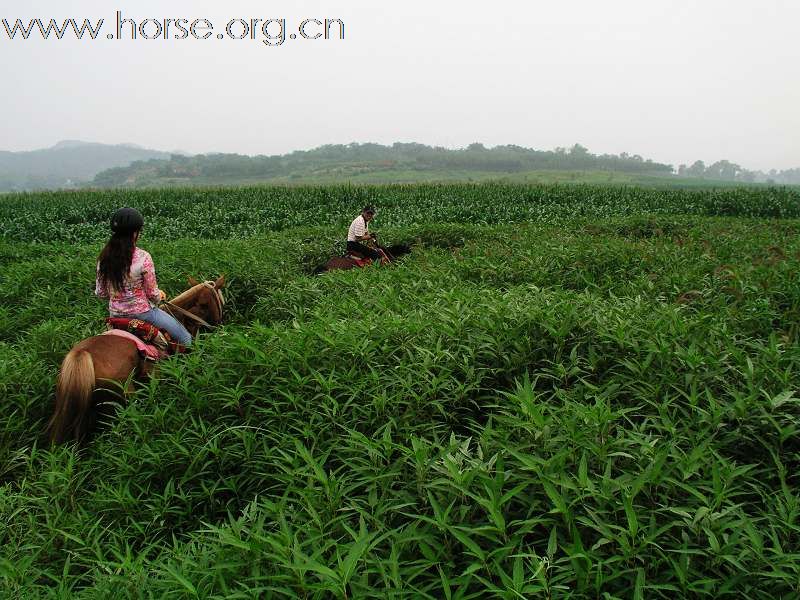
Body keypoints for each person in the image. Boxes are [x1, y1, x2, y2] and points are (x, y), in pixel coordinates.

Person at [95, 207, 192, 346]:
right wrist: (160, 296)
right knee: (186, 338)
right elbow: (152, 294)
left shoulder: (103, 259)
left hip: (115, 315)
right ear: (135, 233)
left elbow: (101, 293)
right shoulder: (143, 257)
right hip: (143, 314)